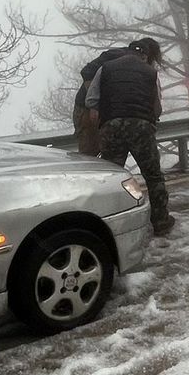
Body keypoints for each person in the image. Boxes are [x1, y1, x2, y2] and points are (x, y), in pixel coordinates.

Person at [86, 37, 174, 236]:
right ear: (144, 55)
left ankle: (108, 225)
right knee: (153, 176)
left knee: (111, 178)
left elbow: (91, 99)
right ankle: (161, 221)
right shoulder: (151, 73)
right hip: (141, 127)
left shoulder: (106, 69)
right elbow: (157, 109)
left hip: (112, 127)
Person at [72, 46, 128, 157]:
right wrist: (94, 102)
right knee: (90, 151)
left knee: (110, 149)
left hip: (109, 111)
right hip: (88, 110)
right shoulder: (117, 55)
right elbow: (86, 71)